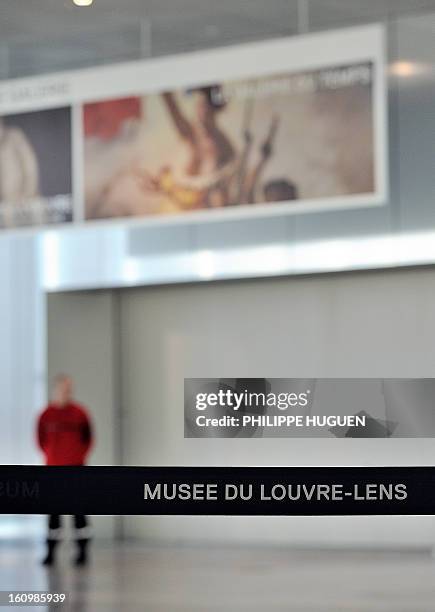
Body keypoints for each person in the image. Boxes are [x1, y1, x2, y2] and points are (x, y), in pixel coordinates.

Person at [37, 374, 93, 566]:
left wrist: (78, 457)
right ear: (56, 389)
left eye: (69, 389)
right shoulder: (45, 415)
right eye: (63, 388)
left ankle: (82, 551)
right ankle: (51, 551)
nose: (66, 392)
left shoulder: (80, 413)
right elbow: (40, 440)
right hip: (52, 470)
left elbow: (89, 439)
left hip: (76, 469)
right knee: (53, 513)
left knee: (79, 511)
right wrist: (53, 457)